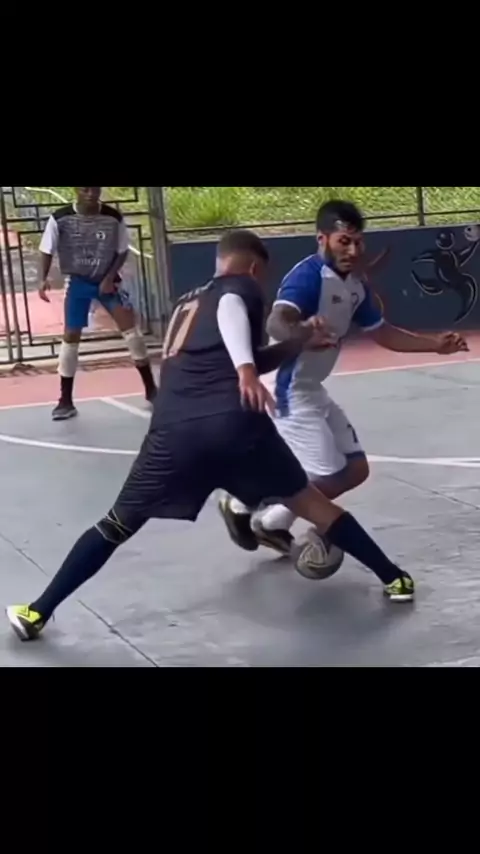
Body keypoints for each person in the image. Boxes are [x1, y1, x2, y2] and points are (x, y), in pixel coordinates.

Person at [6, 228, 421, 642]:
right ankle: (395, 578)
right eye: (261, 275)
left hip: (173, 433)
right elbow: (232, 311)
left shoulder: (186, 303)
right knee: (313, 506)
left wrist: (296, 342)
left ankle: (37, 612)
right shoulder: (239, 288)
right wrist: (245, 371)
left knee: (116, 525)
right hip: (234, 426)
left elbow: (245, 354)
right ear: (254, 268)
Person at [218, 200, 468, 560]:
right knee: (329, 474)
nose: (352, 250)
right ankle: (246, 504)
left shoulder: (355, 286)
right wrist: (302, 332)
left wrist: (435, 345)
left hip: (310, 388)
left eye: (358, 242)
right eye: (343, 241)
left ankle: (268, 519)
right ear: (322, 239)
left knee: (355, 470)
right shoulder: (308, 277)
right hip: (287, 388)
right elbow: (277, 321)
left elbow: (382, 333)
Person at [39, 186, 157, 420]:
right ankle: (65, 400)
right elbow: (46, 249)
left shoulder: (113, 217)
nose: (91, 193)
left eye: (95, 188)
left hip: (107, 281)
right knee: (71, 337)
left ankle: (151, 390)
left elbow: (122, 251)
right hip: (78, 282)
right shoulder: (60, 218)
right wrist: (42, 279)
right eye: (85, 189)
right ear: (76, 190)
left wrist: (110, 277)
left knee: (131, 332)